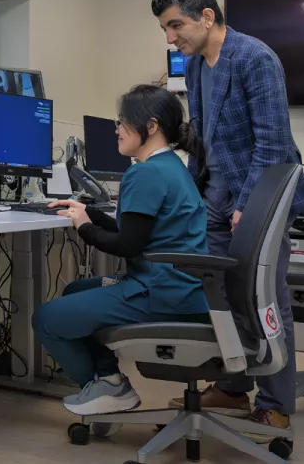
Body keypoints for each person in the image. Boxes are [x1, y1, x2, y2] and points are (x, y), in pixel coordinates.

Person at [151, 0, 304, 437]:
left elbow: (273, 142)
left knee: (263, 296)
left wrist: (251, 207)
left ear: (207, 16)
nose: (170, 37)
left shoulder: (255, 58)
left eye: (175, 25)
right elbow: (202, 137)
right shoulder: (198, 65)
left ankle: (276, 401)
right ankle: (231, 385)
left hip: (260, 196)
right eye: (165, 28)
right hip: (218, 196)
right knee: (219, 294)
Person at [33, 84, 210, 416]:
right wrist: (89, 212)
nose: (117, 129)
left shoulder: (145, 173)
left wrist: (84, 227)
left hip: (160, 293)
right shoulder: (172, 167)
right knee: (74, 289)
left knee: (45, 318)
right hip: (180, 288)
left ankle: (108, 389)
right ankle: (109, 376)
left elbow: (128, 244)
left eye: (122, 122)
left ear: (151, 126)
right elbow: (140, 231)